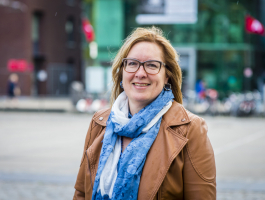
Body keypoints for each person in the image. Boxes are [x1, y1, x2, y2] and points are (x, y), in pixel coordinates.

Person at [73, 27, 216, 200]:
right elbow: (81, 193)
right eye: (132, 63)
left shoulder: (191, 129)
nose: (140, 73)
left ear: (166, 76)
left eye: (152, 65)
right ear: (122, 72)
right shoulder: (99, 122)